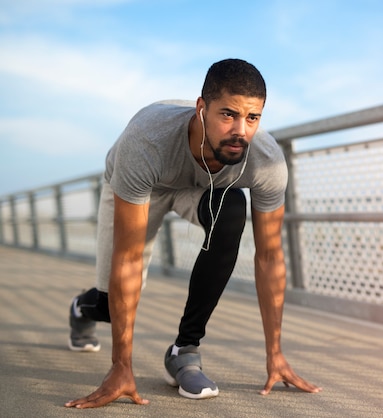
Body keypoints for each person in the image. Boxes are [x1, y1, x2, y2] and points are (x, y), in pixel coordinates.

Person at [64, 58, 321, 409]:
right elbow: (128, 257)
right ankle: (83, 307)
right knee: (112, 306)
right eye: (227, 114)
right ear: (202, 108)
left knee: (231, 210)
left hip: (198, 188)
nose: (240, 131)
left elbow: (270, 256)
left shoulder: (266, 160)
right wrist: (121, 366)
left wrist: (275, 353)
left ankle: (184, 349)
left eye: (253, 118)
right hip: (144, 186)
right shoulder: (147, 141)